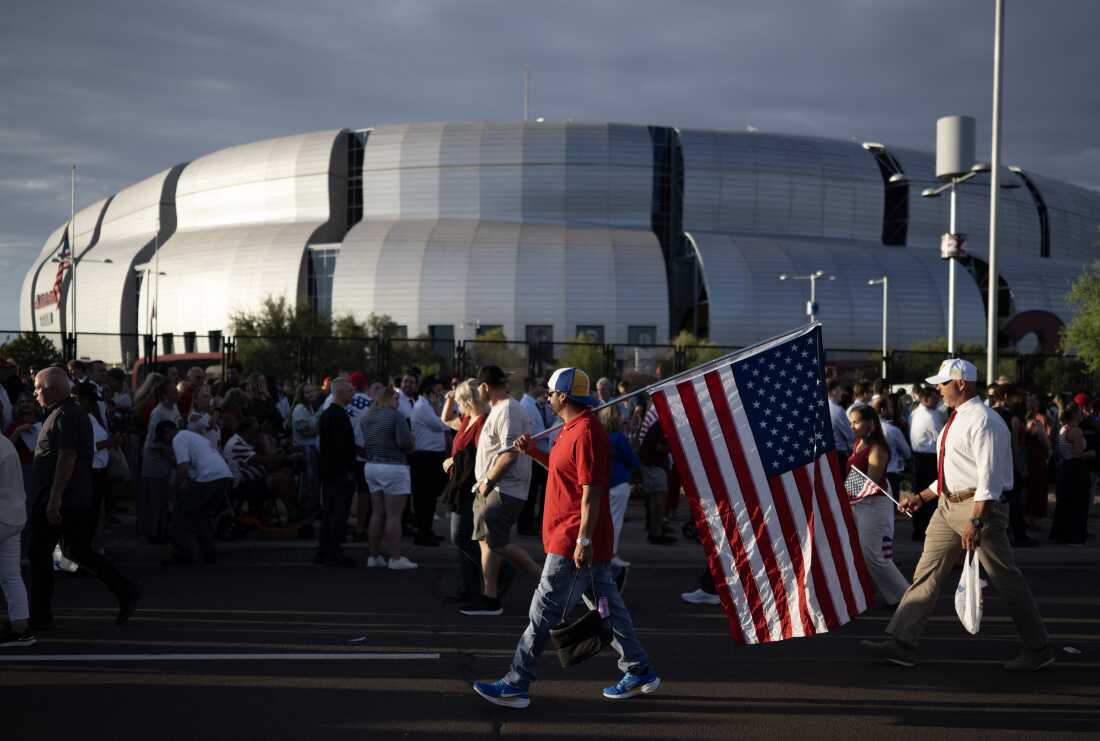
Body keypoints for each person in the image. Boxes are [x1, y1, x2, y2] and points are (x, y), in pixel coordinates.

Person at [472, 366, 659, 708]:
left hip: (573, 542)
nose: (548, 396)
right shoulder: (573, 428)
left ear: (563, 396)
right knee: (610, 610)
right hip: (578, 541)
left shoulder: (585, 432)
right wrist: (533, 453)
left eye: (552, 392)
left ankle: (516, 683)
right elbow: (567, 474)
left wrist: (583, 541)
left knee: (542, 613)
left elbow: (592, 492)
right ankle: (638, 668)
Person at [862, 358, 1053, 672]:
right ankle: (901, 642)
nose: (938, 387)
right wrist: (924, 496)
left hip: (977, 509)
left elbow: (989, 479)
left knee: (1006, 580)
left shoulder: (984, 420)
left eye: (943, 382)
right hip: (950, 505)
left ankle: (1039, 647)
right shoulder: (958, 418)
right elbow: (955, 472)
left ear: (961, 383)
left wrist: (976, 520)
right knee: (927, 572)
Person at [28, 367, 141, 630]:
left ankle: (40, 616)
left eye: (38, 387)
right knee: (75, 550)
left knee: (40, 554)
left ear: (53, 388)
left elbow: (67, 457)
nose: (34, 393)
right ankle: (126, 590)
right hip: (73, 497)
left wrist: (54, 498)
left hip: (61, 500)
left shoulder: (65, 415)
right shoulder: (69, 413)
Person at [460, 365, 540, 616]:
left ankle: (552, 584)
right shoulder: (498, 408)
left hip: (502, 488)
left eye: (478, 388)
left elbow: (510, 454)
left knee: (498, 543)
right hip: (493, 488)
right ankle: (490, 597)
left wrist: (488, 482)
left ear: (485, 387)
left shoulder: (508, 409)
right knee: (488, 542)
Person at [846, 405, 910, 607]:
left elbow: (871, 480)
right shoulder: (858, 443)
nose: (852, 426)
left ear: (870, 423)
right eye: (851, 422)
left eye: (856, 422)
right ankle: (887, 597)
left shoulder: (878, 449)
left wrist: (844, 493)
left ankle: (907, 597)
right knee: (860, 553)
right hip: (857, 503)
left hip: (873, 504)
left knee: (873, 555)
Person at [442, 379, 489, 601]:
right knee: (464, 538)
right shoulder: (468, 419)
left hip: (471, 486)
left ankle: (497, 574)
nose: (457, 405)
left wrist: (454, 461)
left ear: (467, 401)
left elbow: (479, 458)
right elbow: (445, 419)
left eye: (459, 401)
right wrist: (450, 396)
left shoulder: (481, 422)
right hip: (460, 485)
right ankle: (469, 587)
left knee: (462, 537)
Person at [361, 385, 417, 570]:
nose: (398, 402)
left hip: (372, 466)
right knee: (394, 516)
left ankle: (373, 556)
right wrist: (412, 442)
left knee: (377, 513)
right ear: (389, 398)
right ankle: (395, 558)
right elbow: (405, 443)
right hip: (393, 467)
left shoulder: (367, 416)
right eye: (396, 399)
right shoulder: (396, 416)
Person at [163, 423, 233, 566]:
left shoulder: (178, 437)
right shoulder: (195, 437)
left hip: (209, 477)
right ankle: (208, 554)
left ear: (167, 432)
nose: (167, 444)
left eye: (164, 439)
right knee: (202, 516)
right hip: (224, 476)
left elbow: (182, 469)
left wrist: (173, 490)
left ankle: (183, 553)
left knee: (180, 513)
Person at [316, 378, 358, 567]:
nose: (353, 393)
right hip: (339, 473)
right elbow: (342, 448)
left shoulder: (327, 414)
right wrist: (348, 471)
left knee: (330, 512)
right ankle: (333, 553)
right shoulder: (338, 416)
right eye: (350, 390)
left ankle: (324, 551)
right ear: (340, 392)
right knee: (338, 513)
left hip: (329, 472)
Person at [0, 432, 33, 647]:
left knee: (10, 576)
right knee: (11, 576)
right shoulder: (5, 443)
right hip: (14, 515)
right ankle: (20, 629)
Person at [409, 376, 451, 545]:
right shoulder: (422, 407)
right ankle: (422, 533)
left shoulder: (427, 406)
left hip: (432, 456)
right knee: (424, 497)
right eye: (437, 391)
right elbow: (442, 424)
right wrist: (437, 406)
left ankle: (427, 530)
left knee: (430, 496)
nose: (440, 394)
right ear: (430, 391)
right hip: (425, 457)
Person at [140, 379, 181, 542]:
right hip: (157, 462)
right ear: (164, 396)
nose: (176, 394)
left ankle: (162, 530)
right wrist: (172, 459)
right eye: (173, 392)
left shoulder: (174, 408)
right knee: (157, 500)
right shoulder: (158, 413)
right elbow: (154, 443)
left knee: (165, 499)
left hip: (168, 459)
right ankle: (155, 533)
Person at [600, 404, 639, 574]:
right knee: (615, 521)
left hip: (603, 483)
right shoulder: (618, 438)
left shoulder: (600, 436)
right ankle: (611, 554)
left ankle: (604, 552)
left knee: (603, 521)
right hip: (619, 482)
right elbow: (632, 459)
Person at [1050, 405, 1093, 546]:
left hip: (1066, 468)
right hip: (1077, 469)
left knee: (1066, 503)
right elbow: (1079, 453)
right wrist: (1092, 453)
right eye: (1080, 413)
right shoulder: (1076, 431)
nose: (1082, 415)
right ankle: (1076, 537)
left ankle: (1062, 535)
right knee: (1079, 503)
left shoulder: (1063, 429)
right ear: (1074, 415)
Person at [907, 385, 946, 541]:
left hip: (919, 457)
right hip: (929, 459)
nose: (937, 401)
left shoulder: (914, 413)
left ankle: (918, 529)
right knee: (929, 496)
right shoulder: (932, 416)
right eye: (935, 398)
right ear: (925, 399)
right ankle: (925, 530)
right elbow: (942, 439)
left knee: (919, 493)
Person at [518, 377, 548, 536]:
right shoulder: (527, 406)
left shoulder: (533, 404)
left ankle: (531, 523)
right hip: (534, 453)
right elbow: (533, 432)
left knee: (535, 491)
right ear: (530, 387)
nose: (541, 388)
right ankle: (526, 525)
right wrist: (550, 433)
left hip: (538, 452)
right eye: (538, 385)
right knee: (531, 492)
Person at [290, 382, 322, 520]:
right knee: (310, 481)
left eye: (312, 391)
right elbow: (305, 431)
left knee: (314, 480)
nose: (311, 394)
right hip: (305, 449)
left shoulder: (309, 408)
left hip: (311, 448)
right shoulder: (300, 409)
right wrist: (321, 429)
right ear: (301, 395)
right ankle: (308, 510)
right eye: (307, 392)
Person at [1023, 395, 1052, 525]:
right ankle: (1034, 520)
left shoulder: (1019, 420)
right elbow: (1045, 442)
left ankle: (1028, 518)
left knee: (1028, 489)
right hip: (1036, 459)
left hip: (1024, 458)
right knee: (1037, 489)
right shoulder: (1036, 422)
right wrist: (1048, 452)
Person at [875, 399, 911, 502]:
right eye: (890, 408)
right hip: (890, 474)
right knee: (891, 509)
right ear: (883, 410)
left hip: (873, 474)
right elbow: (907, 452)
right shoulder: (892, 430)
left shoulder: (869, 428)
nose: (892, 410)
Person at [828, 380, 854, 462]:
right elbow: (851, 435)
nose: (842, 393)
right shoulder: (838, 410)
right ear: (834, 391)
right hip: (839, 454)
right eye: (840, 390)